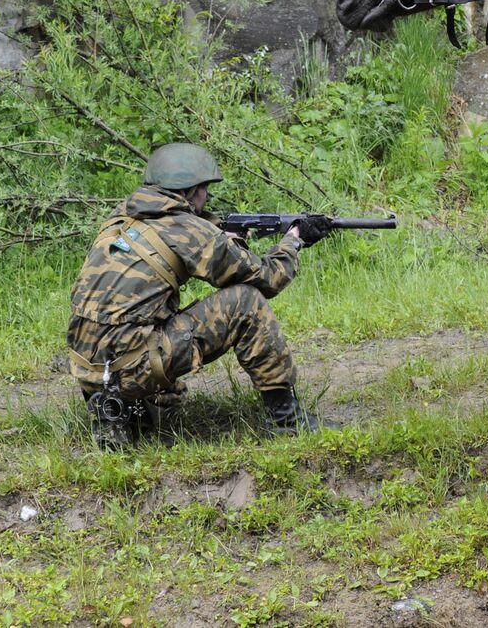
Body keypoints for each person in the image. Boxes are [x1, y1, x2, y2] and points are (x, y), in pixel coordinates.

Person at [68, 142, 330, 446]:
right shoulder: (192, 230)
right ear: (189, 191)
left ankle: (119, 406)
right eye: (204, 188)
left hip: (88, 367)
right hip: (132, 364)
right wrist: (293, 241)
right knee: (247, 302)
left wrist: (224, 240)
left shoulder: (119, 220)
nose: (207, 196)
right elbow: (268, 279)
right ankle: (287, 421)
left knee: (143, 322)